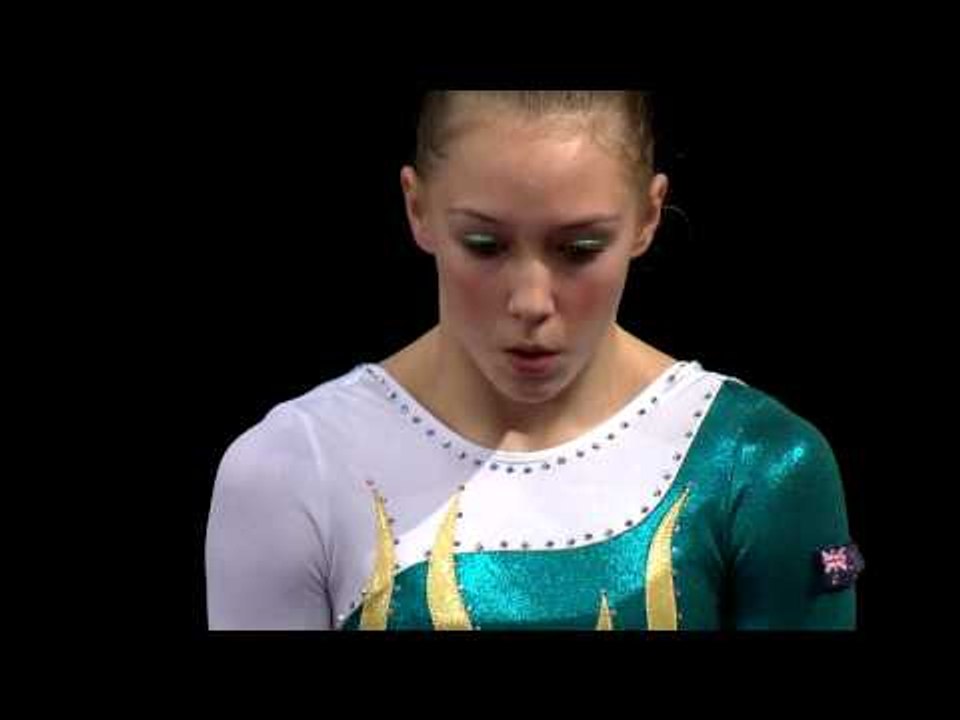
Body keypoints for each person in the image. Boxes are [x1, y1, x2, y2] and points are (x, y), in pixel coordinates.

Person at [204, 91, 863, 630]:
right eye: (484, 244)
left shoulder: (761, 466)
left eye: (579, 248)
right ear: (417, 208)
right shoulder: (291, 470)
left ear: (648, 217)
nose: (530, 301)